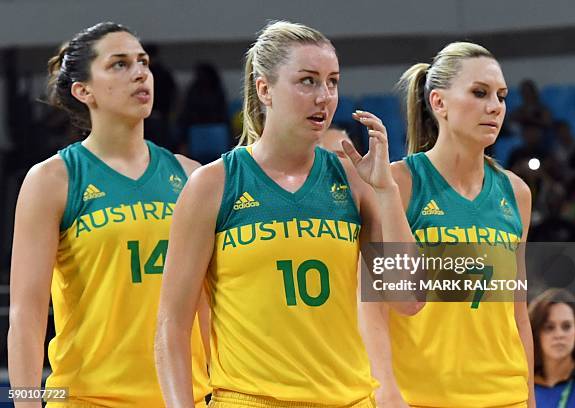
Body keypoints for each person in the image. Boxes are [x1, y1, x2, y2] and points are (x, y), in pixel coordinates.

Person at [155, 20, 420, 408]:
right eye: (307, 81)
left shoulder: (352, 178)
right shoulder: (213, 184)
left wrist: (386, 192)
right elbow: (171, 327)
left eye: (332, 82)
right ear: (264, 89)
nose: (324, 96)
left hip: (350, 400)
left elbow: (408, 299)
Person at [7, 22, 210, 407]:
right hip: (89, 399)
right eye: (119, 64)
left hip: (184, 399)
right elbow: (26, 316)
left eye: (143, 62)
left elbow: (209, 304)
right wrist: (27, 404)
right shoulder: (52, 179)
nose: (139, 73)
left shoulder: (192, 175)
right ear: (84, 91)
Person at [379, 42, 536, 407]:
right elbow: (373, 307)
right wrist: (385, 388)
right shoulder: (397, 183)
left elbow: (518, 311)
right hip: (423, 397)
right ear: (439, 103)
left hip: (504, 396)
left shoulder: (517, 192)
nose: (495, 106)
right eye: (479, 93)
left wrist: (529, 398)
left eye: (501, 96)